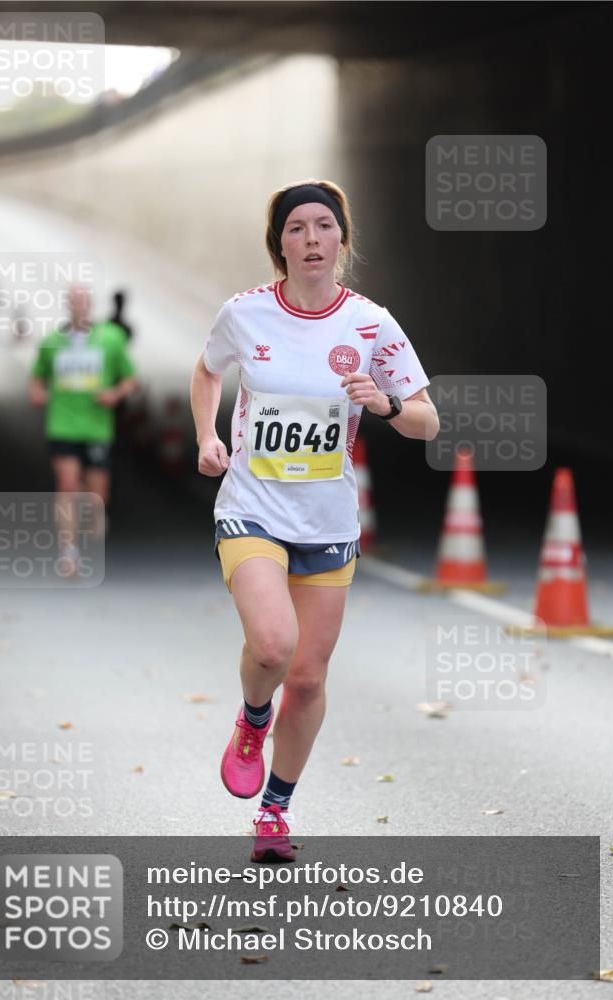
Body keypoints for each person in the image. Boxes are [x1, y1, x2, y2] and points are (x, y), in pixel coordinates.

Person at [190, 180, 439, 862]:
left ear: (341, 240)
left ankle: (274, 811)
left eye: (322, 226)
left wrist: (384, 403)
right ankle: (251, 719)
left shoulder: (370, 324)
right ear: (280, 244)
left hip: (326, 520)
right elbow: (206, 372)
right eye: (295, 228)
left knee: (307, 677)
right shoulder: (245, 314)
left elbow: (426, 420)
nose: (309, 239)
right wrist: (207, 436)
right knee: (272, 648)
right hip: (252, 509)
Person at [29, 284, 137, 573]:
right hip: (62, 426)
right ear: (68, 305)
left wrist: (115, 394)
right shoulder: (51, 342)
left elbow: (130, 378)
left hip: (97, 428)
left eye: (83, 301)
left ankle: (92, 513)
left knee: (97, 494)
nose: (79, 306)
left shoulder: (110, 339)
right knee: (66, 485)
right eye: (74, 301)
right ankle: (69, 551)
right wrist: (37, 392)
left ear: (90, 305)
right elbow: (37, 378)